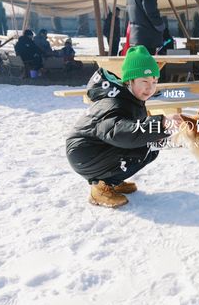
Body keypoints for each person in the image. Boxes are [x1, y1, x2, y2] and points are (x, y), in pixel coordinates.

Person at [66, 45, 182, 208]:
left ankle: (111, 180)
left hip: (97, 149)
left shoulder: (131, 99)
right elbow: (119, 133)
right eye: (144, 81)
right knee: (147, 145)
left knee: (153, 144)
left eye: (154, 81)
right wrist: (159, 123)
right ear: (129, 81)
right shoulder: (114, 103)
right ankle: (100, 187)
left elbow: (133, 131)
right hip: (84, 153)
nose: (150, 87)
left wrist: (161, 132)